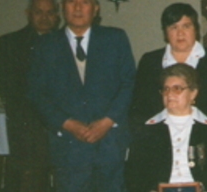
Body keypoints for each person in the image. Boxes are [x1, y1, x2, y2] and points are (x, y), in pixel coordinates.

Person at [26, 0, 135, 190]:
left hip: (109, 143)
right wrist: (68, 123)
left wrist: (107, 121)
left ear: (96, 8)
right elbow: (37, 93)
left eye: (84, 2)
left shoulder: (115, 38)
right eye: (71, 2)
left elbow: (129, 83)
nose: (77, 7)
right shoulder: (44, 45)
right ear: (62, 7)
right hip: (68, 146)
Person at [130, 3, 207, 138]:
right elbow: (138, 108)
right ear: (165, 32)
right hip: (159, 139)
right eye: (173, 27)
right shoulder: (150, 62)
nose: (180, 33)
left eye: (186, 26)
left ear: (196, 29)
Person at [124, 64, 207, 192]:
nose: (170, 94)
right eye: (166, 89)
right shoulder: (147, 129)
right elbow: (134, 176)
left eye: (177, 89)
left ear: (193, 93)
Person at [0, 0, 58, 190]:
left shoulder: (68, 42)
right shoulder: (9, 42)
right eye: (39, 12)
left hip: (64, 123)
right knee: (29, 179)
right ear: (28, 13)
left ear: (57, 15)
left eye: (50, 12)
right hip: (27, 125)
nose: (44, 18)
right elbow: (4, 84)